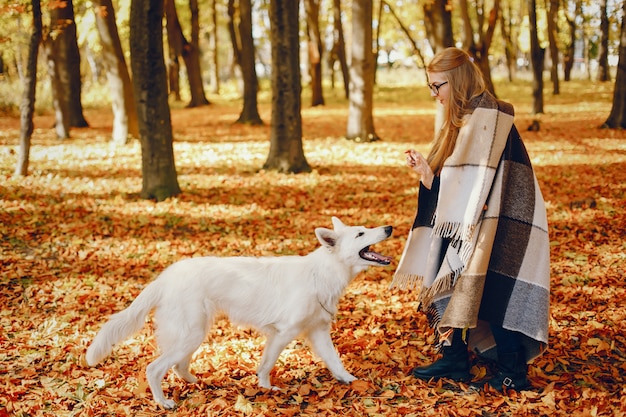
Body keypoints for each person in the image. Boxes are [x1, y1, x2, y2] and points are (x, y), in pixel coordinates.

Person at [390, 47, 550, 392]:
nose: (435, 95)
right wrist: (429, 175)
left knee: (494, 285)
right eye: (431, 87)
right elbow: (465, 181)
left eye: (438, 86)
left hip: (504, 217)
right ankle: (454, 357)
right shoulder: (465, 118)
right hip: (471, 218)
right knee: (449, 276)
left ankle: (512, 371)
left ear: (458, 80)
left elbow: (483, 182)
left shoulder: (489, 116)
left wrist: (442, 182)